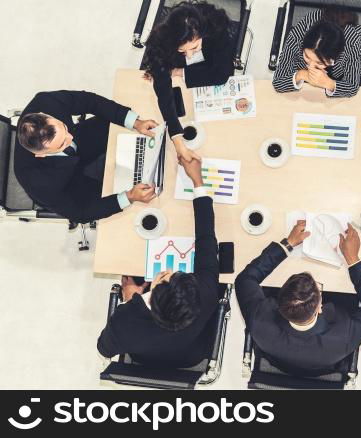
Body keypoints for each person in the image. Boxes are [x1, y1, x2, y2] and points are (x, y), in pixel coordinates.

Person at [97, 155, 220, 368]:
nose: (168, 270)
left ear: (152, 292)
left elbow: (104, 349)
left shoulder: (124, 322)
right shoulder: (206, 296)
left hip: (146, 357)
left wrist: (129, 301)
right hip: (189, 355)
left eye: (165, 276)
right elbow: (206, 239)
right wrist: (198, 182)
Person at [234, 223, 361, 376]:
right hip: (320, 366)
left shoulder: (259, 321)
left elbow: (244, 279)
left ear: (278, 302)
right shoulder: (342, 337)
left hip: (281, 362)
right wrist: (353, 259)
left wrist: (287, 244)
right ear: (320, 307)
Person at [14, 91, 159, 224]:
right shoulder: (38, 183)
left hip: (86, 139)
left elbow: (90, 101)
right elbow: (80, 212)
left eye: (64, 128)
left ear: (47, 115)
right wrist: (128, 197)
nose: (70, 138)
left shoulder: (47, 102)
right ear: (41, 154)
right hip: (73, 182)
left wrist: (135, 122)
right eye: (62, 144)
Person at [142, 1, 235, 163]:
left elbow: (223, 73)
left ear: (202, 34)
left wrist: (180, 72)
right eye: (182, 50)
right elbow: (163, 91)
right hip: (186, 88)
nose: (190, 55)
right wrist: (177, 138)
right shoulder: (162, 38)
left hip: (204, 73)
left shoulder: (216, 29)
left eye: (194, 47)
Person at [272, 7, 361, 98]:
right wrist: (302, 74)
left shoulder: (352, 41)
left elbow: (352, 86)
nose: (311, 66)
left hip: (340, 74)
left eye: (319, 62)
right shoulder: (299, 34)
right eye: (307, 56)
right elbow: (278, 81)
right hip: (302, 81)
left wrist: (328, 83)